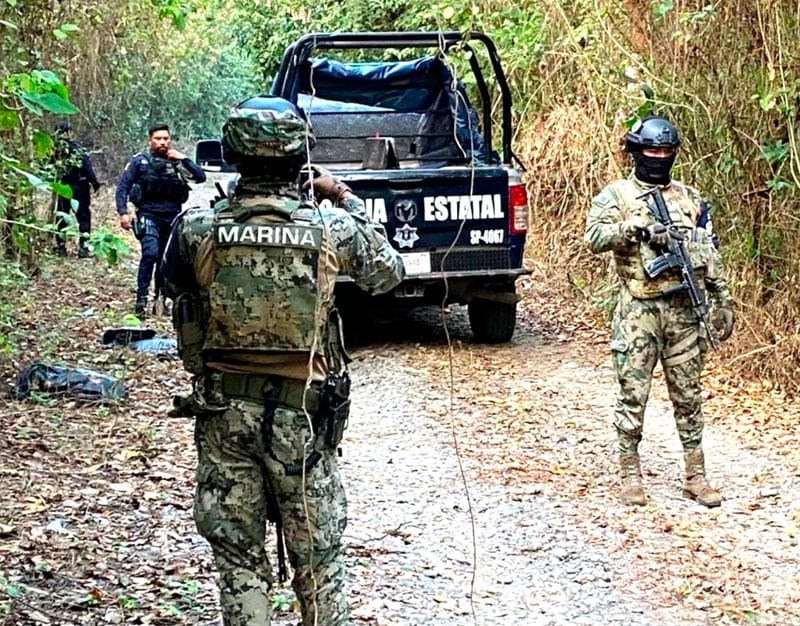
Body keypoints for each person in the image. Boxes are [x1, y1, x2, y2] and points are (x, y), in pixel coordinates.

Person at [161, 96, 405, 625]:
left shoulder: (198, 228)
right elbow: (388, 273)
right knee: (318, 564)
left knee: (239, 561)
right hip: (304, 419)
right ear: (301, 158)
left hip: (223, 416)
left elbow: (177, 291)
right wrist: (343, 194)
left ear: (232, 153)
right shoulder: (330, 227)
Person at [584, 115, 735, 508]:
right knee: (633, 394)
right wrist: (631, 228)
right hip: (639, 311)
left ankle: (695, 475)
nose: (659, 157)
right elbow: (594, 237)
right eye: (651, 150)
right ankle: (630, 474)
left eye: (666, 152)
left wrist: (721, 298)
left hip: (684, 312)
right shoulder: (616, 196)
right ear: (636, 152)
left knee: (689, 396)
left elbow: (708, 249)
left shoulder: (690, 198)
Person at [115, 123, 206, 319]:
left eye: (165, 138)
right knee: (150, 254)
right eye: (158, 139)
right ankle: (141, 299)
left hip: (172, 216)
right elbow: (123, 187)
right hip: (148, 214)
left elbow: (200, 177)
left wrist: (183, 158)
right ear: (150, 140)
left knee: (165, 261)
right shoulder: (140, 162)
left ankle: (160, 299)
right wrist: (123, 212)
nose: (162, 142)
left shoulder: (177, 162)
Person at [53, 121, 101, 258]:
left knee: (62, 215)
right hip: (80, 187)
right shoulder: (78, 149)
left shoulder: (56, 151)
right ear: (68, 132)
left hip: (63, 187)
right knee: (83, 216)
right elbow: (87, 167)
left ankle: (61, 247)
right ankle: (83, 248)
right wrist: (95, 183)